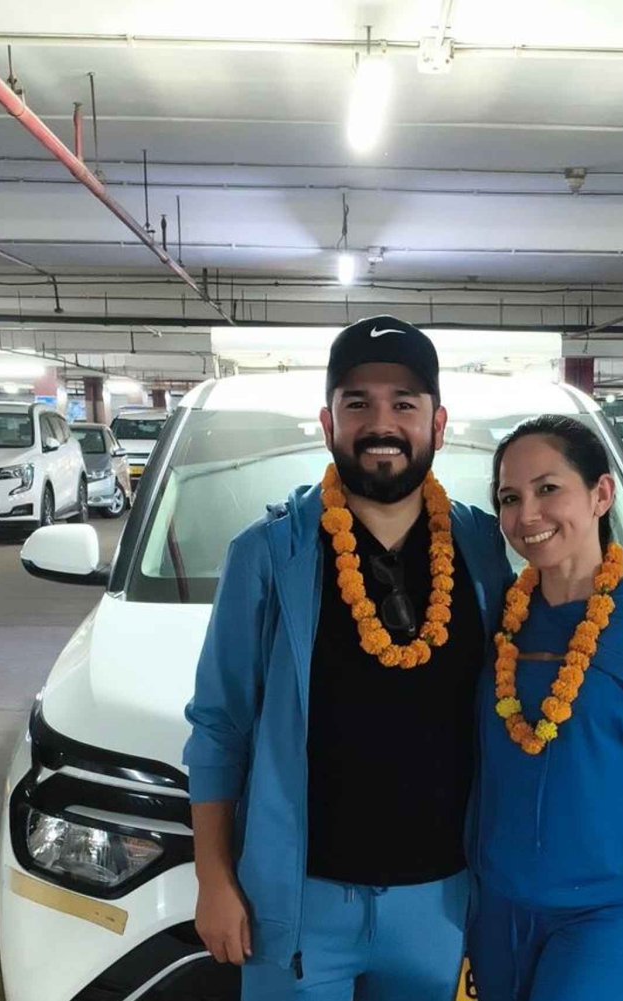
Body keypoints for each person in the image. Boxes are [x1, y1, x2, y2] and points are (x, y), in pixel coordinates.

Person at [184, 315, 510, 1000]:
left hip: (444, 902)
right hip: (299, 901)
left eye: (404, 404)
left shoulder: (483, 550)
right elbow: (219, 727)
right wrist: (213, 877)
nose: (381, 423)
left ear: (438, 424)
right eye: (357, 402)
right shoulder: (268, 555)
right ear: (328, 423)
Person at [468, 415, 623, 1001]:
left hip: (605, 916)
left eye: (548, 488)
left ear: (601, 494)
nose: (527, 514)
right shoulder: (496, 620)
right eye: (510, 498)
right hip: (495, 907)